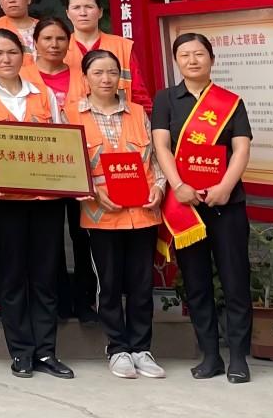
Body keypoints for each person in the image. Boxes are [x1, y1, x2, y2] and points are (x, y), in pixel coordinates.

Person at [0, 28, 72, 380]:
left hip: (45, 199)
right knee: (11, 277)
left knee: (44, 277)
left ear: (24, 55)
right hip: (3, 201)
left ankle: (46, 352)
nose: (6, 59)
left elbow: (61, 141)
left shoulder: (43, 94)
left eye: (11, 52)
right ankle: (21, 352)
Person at [151, 33, 254, 384]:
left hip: (226, 204)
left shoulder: (231, 102)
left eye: (199, 54)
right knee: (196, 283)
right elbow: (161, 146)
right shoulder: (166, 99)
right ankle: (210, 356)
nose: (192, 60)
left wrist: (225, 187)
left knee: (235, 280)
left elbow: (241, 149)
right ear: (176, 61)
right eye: (184, 55)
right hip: (186, 204)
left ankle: (238, 357)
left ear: (211, 58)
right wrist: (178, 185)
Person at [67, 48, 169, 380]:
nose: (106, 79)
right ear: (85, 78)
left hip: (143, 211)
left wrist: (160, 187)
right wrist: (92, 191)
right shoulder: (71, 114)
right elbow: (67, 163)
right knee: (109, 284)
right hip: (101, 214)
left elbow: (156, 159)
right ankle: (117, 349)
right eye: (98, 73)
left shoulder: (138, 112)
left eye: (112, 72)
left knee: (141, 284)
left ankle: (142, 348)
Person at [64, 0, 136, 99]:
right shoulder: (59, 49)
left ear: (100, 12)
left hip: (118, 109)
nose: (83, 13)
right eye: (76, 8)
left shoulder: (122, 46)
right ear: (68, 14)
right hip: (73, 110)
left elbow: (139, 95)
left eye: (89, 7)